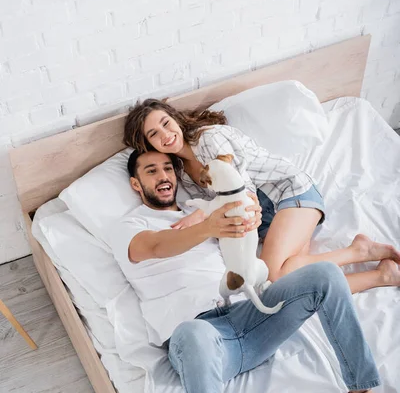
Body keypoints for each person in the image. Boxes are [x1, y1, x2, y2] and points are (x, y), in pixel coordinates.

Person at [110, 148, 400, 393]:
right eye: (151, 171)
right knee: (192, 335)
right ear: (136, 183)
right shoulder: (129, 227)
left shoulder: (198, 211)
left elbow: (241, 234)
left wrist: (243, 216)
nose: (163, 175)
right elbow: (155, 246)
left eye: (167, 167)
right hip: (206, 340)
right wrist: (208, 226)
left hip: (251, 313)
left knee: (324, 277)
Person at [123, 98, 400, 294]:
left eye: (165, 123)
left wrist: (201, 214)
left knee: (274, 275)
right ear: (149, 144)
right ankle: (380, 275)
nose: (165, 134)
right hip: (268, 219)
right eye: (154, 134)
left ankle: (358, 252)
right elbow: (221, 206)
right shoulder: (182, 174)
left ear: (175, 118)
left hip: (290, 193)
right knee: (289, 282)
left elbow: (242, 194)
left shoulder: (208, 140)